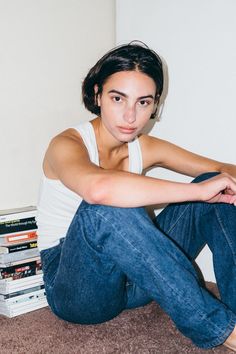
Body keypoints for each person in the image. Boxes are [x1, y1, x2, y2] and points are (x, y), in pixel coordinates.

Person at [36, 42, 236, 351]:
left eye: (143, 103)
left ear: (155, 104)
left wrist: (213, 186)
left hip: (137, 278)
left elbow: (223, 169)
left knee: (217, 183)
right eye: (118, 98)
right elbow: (98, 189)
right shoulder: (66, 144)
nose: (130, 116)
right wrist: (196, 191)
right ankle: (221, 330)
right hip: (77, 289)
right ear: (98, 93)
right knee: (104, 206)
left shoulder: (143, 146)